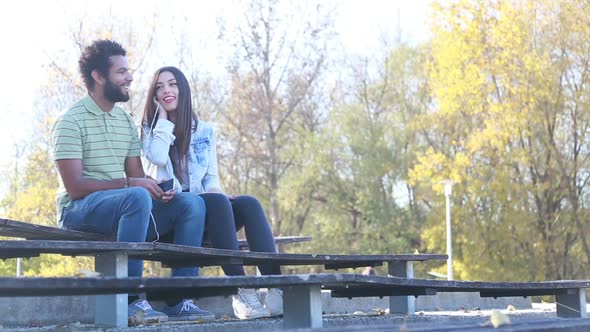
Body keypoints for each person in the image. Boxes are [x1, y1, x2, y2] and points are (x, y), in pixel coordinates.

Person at [50, 40, 214, 323]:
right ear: (99, 77)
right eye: (121, 72)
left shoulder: (124, 121)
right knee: (136, 196)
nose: (130, 77)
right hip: (77, 211)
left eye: (129, 71)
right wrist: (132, 186)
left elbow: (136, 177)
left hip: (123, 206)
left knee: (191, 203)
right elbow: (75, 188)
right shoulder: (70, 121)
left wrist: (157, 189)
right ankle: (131, 298)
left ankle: (180, 298)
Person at [141, 66, 283, 320]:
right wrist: (162, 119)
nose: (167, 91)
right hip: (169, 213)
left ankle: (276, 288)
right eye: (160, 87)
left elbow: (211, 179)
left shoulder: (204, 130)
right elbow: (158, 156)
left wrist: (219, 194)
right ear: (154, 95)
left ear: (183, 90)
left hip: (203, 211)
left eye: (172, 85)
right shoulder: (148, 129)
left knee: (248, 203)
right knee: (214, 202)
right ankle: (242, 290)